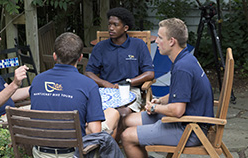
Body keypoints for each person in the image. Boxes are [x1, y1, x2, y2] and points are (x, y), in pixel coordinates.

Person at [120, 18, 214, 158]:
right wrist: (160, 101)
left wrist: (154, 108)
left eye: (160, 37)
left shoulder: (182, 67)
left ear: (172, 41)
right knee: (127, 120)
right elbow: (183, 94)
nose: (156, 41)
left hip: (190, 129)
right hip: (188, 119)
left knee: (127, 136)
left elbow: (177, 110)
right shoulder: (186, 59)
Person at [29, 32, 121, 158]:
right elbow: (95, 132)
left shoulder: (37, 81)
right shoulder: (88, 85)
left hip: (40, 153)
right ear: (80, 58)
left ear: (54, 56)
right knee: (113, 114)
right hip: (74, 154)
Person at [85, 7, 154, 115]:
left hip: (130, 90)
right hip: (106, 91)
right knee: (95, 112)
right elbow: (89, 72)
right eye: (109, 24)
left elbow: (149, 74)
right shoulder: (100, 47)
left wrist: (128, 82)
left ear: (125, 28)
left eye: (115, 25)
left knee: (122, 113)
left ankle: (108, 132)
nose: (111, 28)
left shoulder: (138, 45)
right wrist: (104, 83)